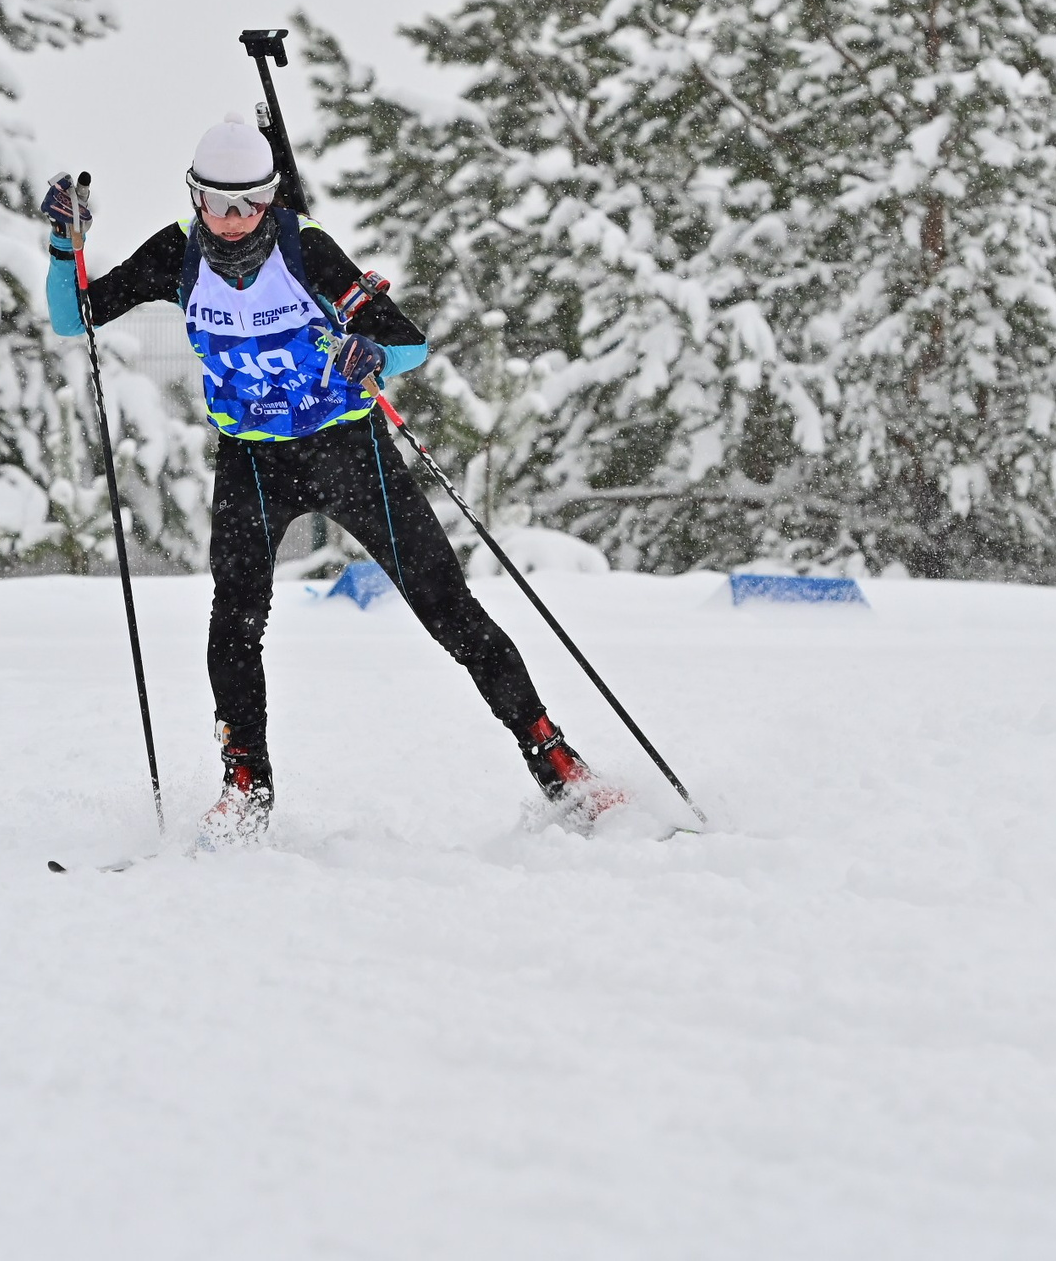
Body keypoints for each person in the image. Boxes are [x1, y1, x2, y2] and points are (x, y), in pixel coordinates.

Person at [42, 113, 629, 843]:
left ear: (269, 197)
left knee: (447, 605)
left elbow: (406, 342)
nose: (231, 220)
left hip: (348, 451)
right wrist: (65, 246)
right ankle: (246, 790)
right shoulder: (176, 253)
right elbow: (80, 319)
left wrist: (370, 354)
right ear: (194, 196)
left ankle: (557, 762)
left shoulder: (304, 247)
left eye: (248, 203)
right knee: (234, 622)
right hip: (253, 462)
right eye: (216, 203)